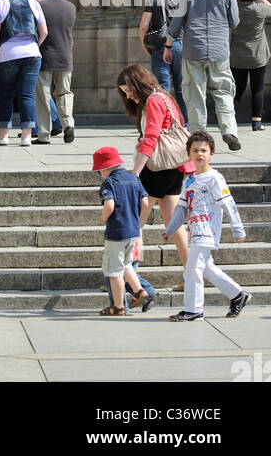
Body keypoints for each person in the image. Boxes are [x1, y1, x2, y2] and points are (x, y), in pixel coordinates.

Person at [163, 130, 250, 322]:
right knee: (206, 267)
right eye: (195, 150)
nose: (199, 154)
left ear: (211, 153)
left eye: (204, 150)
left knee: (192, 268)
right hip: (194, 231)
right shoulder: (190, 180)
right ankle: (237, 295)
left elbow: (228, 203)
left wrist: (238, 228)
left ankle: (193, 309)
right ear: (189, 154)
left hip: (208, 231)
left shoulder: (215, 178)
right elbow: (181, 208)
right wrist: (170, 229)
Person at [116, 63, 189, 270]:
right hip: (173, 168)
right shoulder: (164, 97)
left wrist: (135, 174)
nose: (128, 96)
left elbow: (152, 138)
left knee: (134, 223)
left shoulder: (154, 101)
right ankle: (192, 275)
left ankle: (131, 276)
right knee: (175, 226)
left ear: (138, 84)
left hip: (156, 170)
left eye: (128, 91)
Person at [163, 0, 240, 149]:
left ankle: (199, 135)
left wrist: (168, 45)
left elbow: (176, 23)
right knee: (223, 92)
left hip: (193, 49)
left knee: (195, 93)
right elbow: (234, 22)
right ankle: (229, 130)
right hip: (219, 50)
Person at [0, 0, 47, 146]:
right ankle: (27, 136)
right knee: (27, 95)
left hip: (7, 55)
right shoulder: (34, 4)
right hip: (32, 54)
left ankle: (3, 135)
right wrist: (34, 45)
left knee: (5, 95)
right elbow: (44, 32)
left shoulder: (1, 3)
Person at [92, 146, 152, 316]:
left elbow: (109, 205)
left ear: (105, 168)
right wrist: (138, 222)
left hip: (116, 232)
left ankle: (118, 307)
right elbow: (146, 204)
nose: (100, 175)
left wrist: (104, 218)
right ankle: (139, 291)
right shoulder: (134, 178)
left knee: (113, 271)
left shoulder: (109, 182)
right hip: (133, 231)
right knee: (126, 264)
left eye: (99, 171)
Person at [34, 0, 76, 144]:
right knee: (64, 93)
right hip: (65, 56)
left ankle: (44, 134)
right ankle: (68, 124)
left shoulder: (39, 6)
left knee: (43, 96)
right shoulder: (71, 7)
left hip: (44, 56)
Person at [139, 0, 187, 120]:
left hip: (160, 45)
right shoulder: (183, 0)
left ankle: (164, 122)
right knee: (181, 88)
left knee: (162, 87)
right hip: (180, 45)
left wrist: (144, 44)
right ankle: (185, 124)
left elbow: (144, 26)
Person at [231, 0, 271, 131]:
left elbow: (226, 14)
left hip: (237, 57)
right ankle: (257, 122)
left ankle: (230, 119)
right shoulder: (260, 8)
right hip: (258, 56)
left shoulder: (234, 9)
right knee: (257, 89)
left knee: (237, 90)